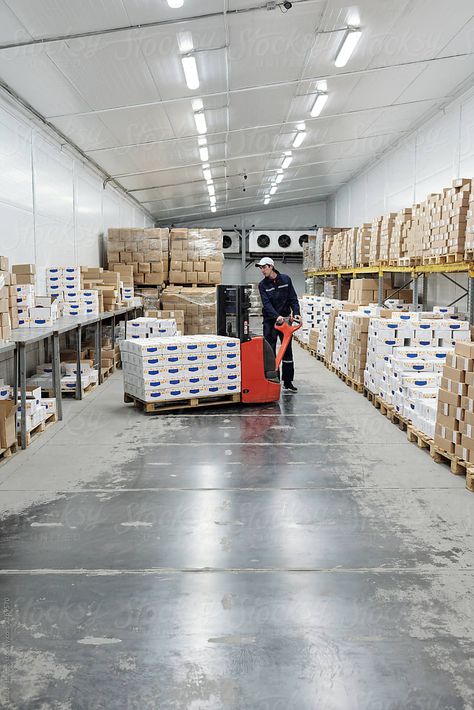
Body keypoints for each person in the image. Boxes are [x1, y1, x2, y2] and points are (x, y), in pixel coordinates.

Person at [256, 257, 302, 392]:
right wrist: (276, 316)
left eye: (264, 267)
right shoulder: (262, 285)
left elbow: (293, 298)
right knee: (270, 350)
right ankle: (273, 380)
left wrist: (297, 312)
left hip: (286, 321)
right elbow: (267, 304)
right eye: (260, 268)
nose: (262, 270)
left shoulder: (286, 280)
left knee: (287, 351)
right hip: (271, 322)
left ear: (271, 266)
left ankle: (288, 382)